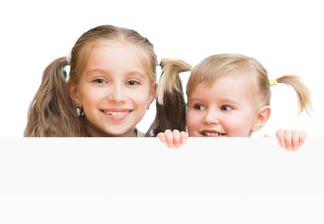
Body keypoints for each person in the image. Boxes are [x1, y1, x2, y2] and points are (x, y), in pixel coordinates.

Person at [155, 54, 311, 150]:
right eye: (198, 106)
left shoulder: (266, 152)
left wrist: (289, 147)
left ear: (259, 118)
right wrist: (167, 147)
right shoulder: (180, 147)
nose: (209, 118)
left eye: (225, 108)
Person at [24, 25, 158, 137]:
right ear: (75, 92)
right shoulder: (49, 148)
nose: (117, 97)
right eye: (99, 81)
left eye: (132, 83)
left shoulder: (159, 149)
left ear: (150, 94)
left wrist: (175, 149)